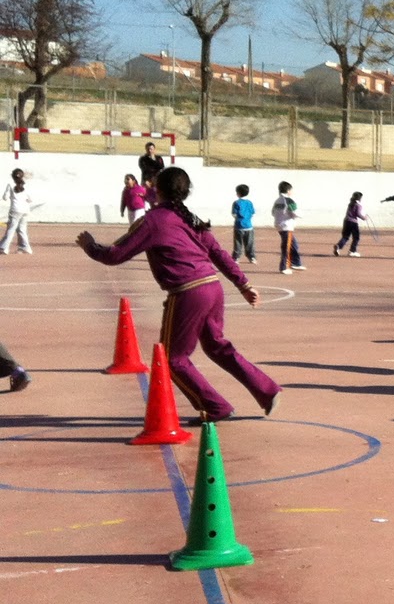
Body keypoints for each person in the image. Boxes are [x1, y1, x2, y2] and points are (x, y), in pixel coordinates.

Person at [77, 166, 280, 422]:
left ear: (157, 190)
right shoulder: (190, 218)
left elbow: (115, 255)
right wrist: (244, 285)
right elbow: (218, 253)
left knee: (171, 359)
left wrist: (91, 247)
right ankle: (267, 390)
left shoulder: (152, 221)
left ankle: (215, 407)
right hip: (212, 287)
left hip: (188, 292)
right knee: (216, 346)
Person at [271, 181, 305, 275]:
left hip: (279, 224)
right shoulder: (289, 200)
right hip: (286, 226)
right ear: (288, 190)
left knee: (294, 244)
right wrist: (301, 215)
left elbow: (273, 212)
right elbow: (295, 212)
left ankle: (296, 263)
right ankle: (284, 267)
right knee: (286, 246)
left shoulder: (277, 200)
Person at [1, 169, 35, 255]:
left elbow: (5, 197)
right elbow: (30, 199)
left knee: (11, 229)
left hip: (15, 210)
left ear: (12, 176)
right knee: (22, 229)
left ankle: (4, 247)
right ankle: (25, 247)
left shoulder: (10, 184)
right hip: (25, 210)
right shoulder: (25, 185)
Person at [334, 192, 368, 257]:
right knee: (356, 237)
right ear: (359, 198)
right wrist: (364, 218)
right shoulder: (358, 205)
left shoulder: (350, 204)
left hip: (346, 221)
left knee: (345, 236)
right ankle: (352, 251)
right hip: (353, 223)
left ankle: (338, 246)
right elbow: (358, 214)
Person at [230, 184, 257, 265]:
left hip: (239, 226)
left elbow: (234, 214)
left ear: (238, 193)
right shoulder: (249, 203)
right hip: (249, 226)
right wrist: (247, 219)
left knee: (238, 243)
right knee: (250, 243)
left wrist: (239, 219)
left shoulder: (236, 203)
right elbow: (253, 213)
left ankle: (236, 258)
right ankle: (252, 257)